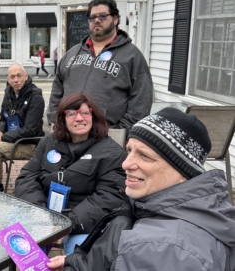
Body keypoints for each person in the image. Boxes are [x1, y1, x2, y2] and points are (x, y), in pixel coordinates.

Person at [47, 107, 235, 271]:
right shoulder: (153, 208)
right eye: (129, 151)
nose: (126, 164)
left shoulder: (160, 248)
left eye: (145, 156)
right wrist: (78, 263)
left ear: (182, 170)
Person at [15, 93, 127, 255]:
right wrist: (39, 215)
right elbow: (27, 177)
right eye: (72, 113)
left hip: (80, 224)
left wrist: (67, 225)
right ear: (63, 118)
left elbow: (108, 198)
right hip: (42, 214)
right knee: (13, 241)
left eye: (85, 113)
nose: (79, 118)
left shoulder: (111, 153)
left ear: (93, 116)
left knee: (80, 254)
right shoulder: (48, 142)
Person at [47, 0, 153, 131]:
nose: (97, 20)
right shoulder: (72, 54)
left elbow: (141, 102)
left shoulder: (132, 56)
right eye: (92, 17)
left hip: (107, 137)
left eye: (103, 16)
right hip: (67, 133)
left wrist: (121, 131)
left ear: (115, 19)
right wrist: (55, 120)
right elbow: (57, 90)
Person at [0, 63, 45, 191]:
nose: (16, 80)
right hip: (12, 138)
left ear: (26, 76)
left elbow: (30, 130)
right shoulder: (8, 93)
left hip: (29, 143)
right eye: (12, 77)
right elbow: (4, 117)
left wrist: (3, 137)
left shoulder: (35, 97)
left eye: (19, 76)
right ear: (8, 79)